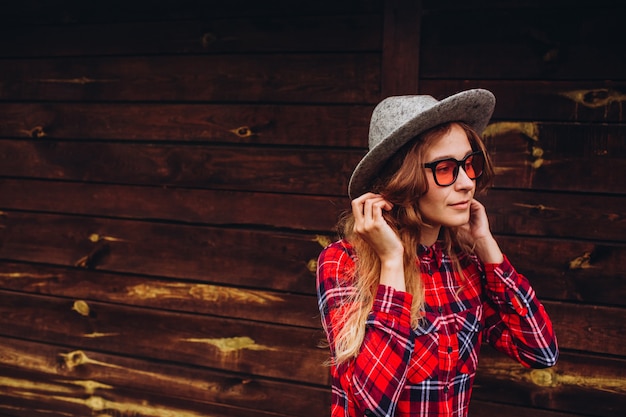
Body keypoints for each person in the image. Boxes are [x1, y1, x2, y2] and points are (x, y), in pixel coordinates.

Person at [316, 89, 558, 417]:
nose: (466, 183)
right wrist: (391, 262)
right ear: (402, 180)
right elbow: (373, 403)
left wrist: (486, 244)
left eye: (469, 164)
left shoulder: (465, 266)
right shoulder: (344, 262)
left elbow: (540, 351)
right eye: (445, 169)